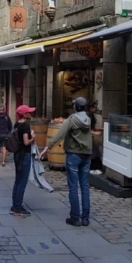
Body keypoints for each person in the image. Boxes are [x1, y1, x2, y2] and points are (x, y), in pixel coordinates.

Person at [39, 97, 93, 227]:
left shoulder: (72, 120)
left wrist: (47, 147)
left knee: (73, 186)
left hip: (74, 154)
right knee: (85, 187)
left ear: (76, 107)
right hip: (86, 155)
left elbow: (60, 134)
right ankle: (85, 218)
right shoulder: (88, 119)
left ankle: (75, 217)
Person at [10, 105, 36, 216]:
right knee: (22, 181)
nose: (31, 113)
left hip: (17, 154)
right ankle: (17, 207)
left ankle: (15, 204)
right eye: (29, 112)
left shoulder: (17, 124)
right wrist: (33, 138)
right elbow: (26, 142)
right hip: (24, 154)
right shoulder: (25, 126)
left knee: (17, 180)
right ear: (25, 114)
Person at [87, 101, 104, 175]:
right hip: (85, 137)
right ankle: (93, 167)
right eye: (94, 107)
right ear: (90, 108)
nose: (96, 109)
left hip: (90, 137)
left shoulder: (91, 116)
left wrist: (100, 129)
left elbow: (92, 127)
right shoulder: (86, 116)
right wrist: (95, 133)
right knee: (94, 151)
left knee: (95, 151)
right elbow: (85, 129)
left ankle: (95, 167)